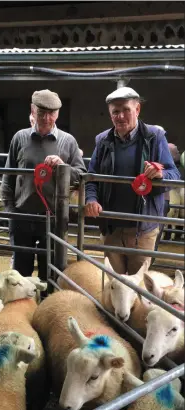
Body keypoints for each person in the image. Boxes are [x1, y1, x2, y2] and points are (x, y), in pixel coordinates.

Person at [85, 87, 180, 274]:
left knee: (139, 287)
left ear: (137, 110)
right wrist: (91, 199)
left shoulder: (154, 137)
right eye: (115, 112)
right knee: (114, 284)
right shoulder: (102, 141)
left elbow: (174, 175)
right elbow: (91, 178)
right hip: (111, 227)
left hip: (143, 229)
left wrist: (160, 175)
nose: (120, 116)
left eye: (126, 110)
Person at [1, 89, 86, 282]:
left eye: (52, 113)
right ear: (32, 110)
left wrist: (63, 167)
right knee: (21, 272)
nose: (47, 118)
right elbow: (9, 177)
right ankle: (23, 309)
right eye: (41, 112)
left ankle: (47, 306)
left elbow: (81, 175)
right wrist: (11, 212)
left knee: (51, 271)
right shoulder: (20, 138)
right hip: (22, 216)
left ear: (58, 113)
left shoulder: (68, 141)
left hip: (54, 218)